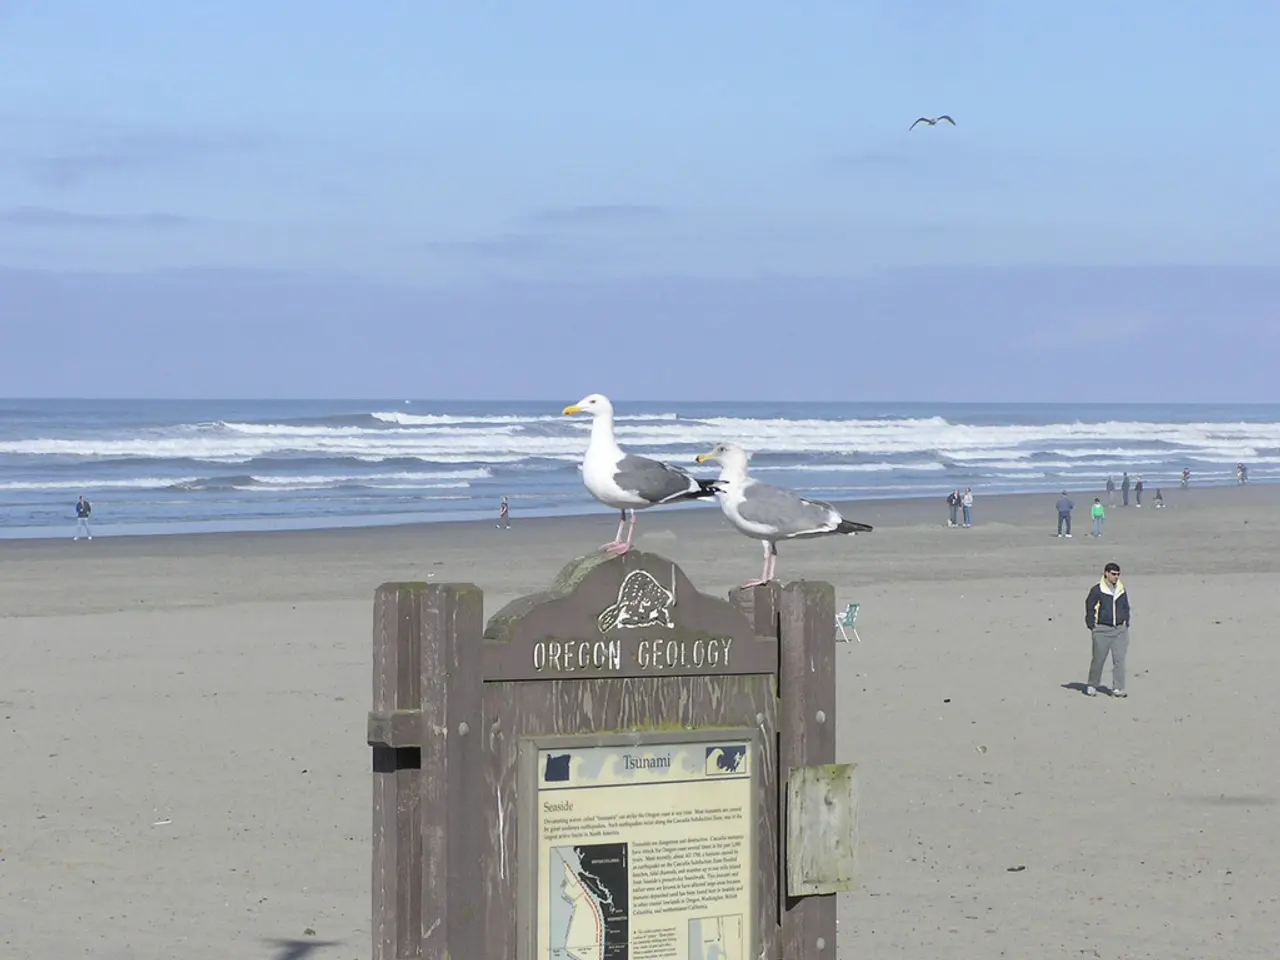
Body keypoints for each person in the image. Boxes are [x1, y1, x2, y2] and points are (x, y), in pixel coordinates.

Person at [1083, 561, 1131, 697]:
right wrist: (1092, 625)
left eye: (1118, 574)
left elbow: (1125, 607)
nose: (1116, 577)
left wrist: (1126, 621)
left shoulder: (1121, 589)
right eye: (1113, 574)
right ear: (1106, 573)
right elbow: (1089, 607)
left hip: (1120, 630)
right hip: (1102, 630)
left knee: (1119, 660)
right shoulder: (1097, 590)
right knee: (1098, 659)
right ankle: (1092, 684)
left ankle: (1118, 688)